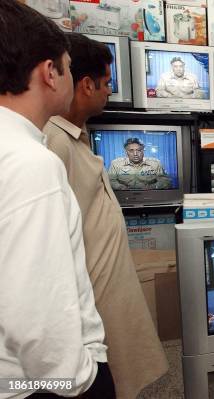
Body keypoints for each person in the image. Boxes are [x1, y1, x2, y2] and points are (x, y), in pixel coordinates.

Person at [42, 33, 168, 399]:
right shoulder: (53, 143)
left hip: (107, 299)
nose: (109, 91)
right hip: (89, 310)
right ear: (85, 84)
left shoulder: (74, 135)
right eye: (107, 82)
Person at [0, 1, 113, 397]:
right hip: (41, 385)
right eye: (67, 65)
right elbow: (35, 312)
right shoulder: (31, 163)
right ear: (51, 73)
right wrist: (80, 379)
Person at [108, 138, 172, 190]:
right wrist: (120, 187)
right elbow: (110, 181)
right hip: (124, 197)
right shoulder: (116, 164)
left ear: (143, 151)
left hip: (149, 197)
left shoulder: (155, 163)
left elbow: (166, 181)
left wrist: (153, 187)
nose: (135, 154)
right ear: (126, 152)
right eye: (131, 150)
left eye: (139, 150)